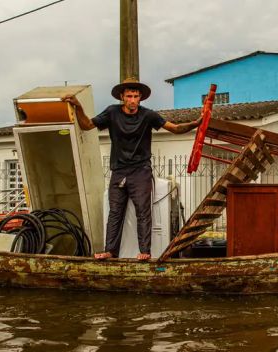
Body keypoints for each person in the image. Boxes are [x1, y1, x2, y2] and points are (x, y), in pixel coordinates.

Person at [63, 78, 201, 261]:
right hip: (119, 171)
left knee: (143, 212)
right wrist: (78, 106)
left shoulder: (148, 115)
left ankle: (145, 251)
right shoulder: (112, 112)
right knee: (115, 212)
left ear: (140, 98)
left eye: (136, 96)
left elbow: (174, 128)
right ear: (122, 97)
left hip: (141, 170)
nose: (133, 100)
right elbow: (87, 125)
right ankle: (110, 251)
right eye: (129, 96)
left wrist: (194, 124)